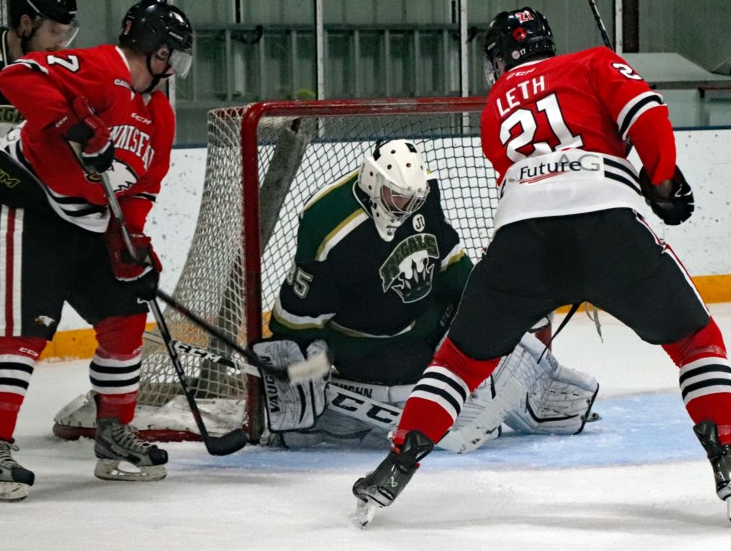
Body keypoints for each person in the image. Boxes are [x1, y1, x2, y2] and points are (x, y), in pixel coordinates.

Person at [352, 7, 731, 527]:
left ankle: (395, 465)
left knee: (458, 361)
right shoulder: (593, 62)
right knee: (696, 342)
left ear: (498, 58)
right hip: (609, 227)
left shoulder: (495, 105)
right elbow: (648, 118)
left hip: (520, 240)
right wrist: (660, 180)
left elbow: (534, 174)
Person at [256, 138, 599, 452]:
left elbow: (446, 258)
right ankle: (336, 422)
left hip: (428, 321)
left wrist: (492, 301)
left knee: (500, 334)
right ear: (374, 184)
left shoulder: (422, 192)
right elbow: (299, 315)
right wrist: (300, 363)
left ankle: (528, 394)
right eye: (398, 198)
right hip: (371, 350)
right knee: (460, 412)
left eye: (413, 198)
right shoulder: (328, 226)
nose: (407, 207)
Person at [0, 0, 193, 501]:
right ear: (150, 47)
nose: (175, 66)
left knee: (124, 315)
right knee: (24, 330)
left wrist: (132, 242)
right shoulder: (101, 67)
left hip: (90, 222)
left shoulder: (159, 113)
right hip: (27, 204)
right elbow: (17, 78)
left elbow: (142, 187)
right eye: (171, 53)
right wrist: (69, 124)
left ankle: (112, 436)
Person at [0, 0, 79, 358]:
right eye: (54, 31)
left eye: (67, 34)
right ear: (25, 24)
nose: (62, 43)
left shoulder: (58, 70)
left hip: (5, 200)